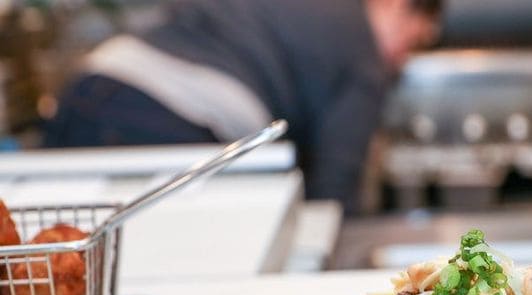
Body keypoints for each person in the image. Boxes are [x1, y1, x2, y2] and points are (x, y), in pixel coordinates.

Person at [44, 0, 443, 213]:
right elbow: (334, 191)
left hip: (91, 85)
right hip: (169, 122)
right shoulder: (363, 53)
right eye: (413, 42)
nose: (402, 60)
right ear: (395, 4)